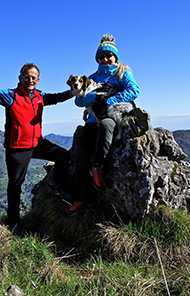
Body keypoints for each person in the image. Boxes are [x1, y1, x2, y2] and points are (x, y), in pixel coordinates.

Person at [0, 63, 76, 229]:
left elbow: (58, 97)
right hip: (17, 148)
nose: (30, 80)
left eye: (33, 77)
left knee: (63, 156)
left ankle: (56, 186)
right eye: (27, 76)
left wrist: (73, 92)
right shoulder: (11, 95)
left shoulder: (40, 97)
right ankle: (13, 222)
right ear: (20, 78)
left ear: (38, 80)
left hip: (37, 143)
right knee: (15, 185)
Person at [67, 34, 140, 213]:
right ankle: (81, 198)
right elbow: (78, 100)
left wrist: (109, 100)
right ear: (97, 59)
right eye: (101, 56)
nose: (105, 59)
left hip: (112, 116)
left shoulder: (122, 73)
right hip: (93, 119)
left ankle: (98, 166)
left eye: (109, 55)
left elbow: (134, 90)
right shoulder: (90, 78)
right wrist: (96, 96)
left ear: (115, 57)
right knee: (81, 152)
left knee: (106, 126)